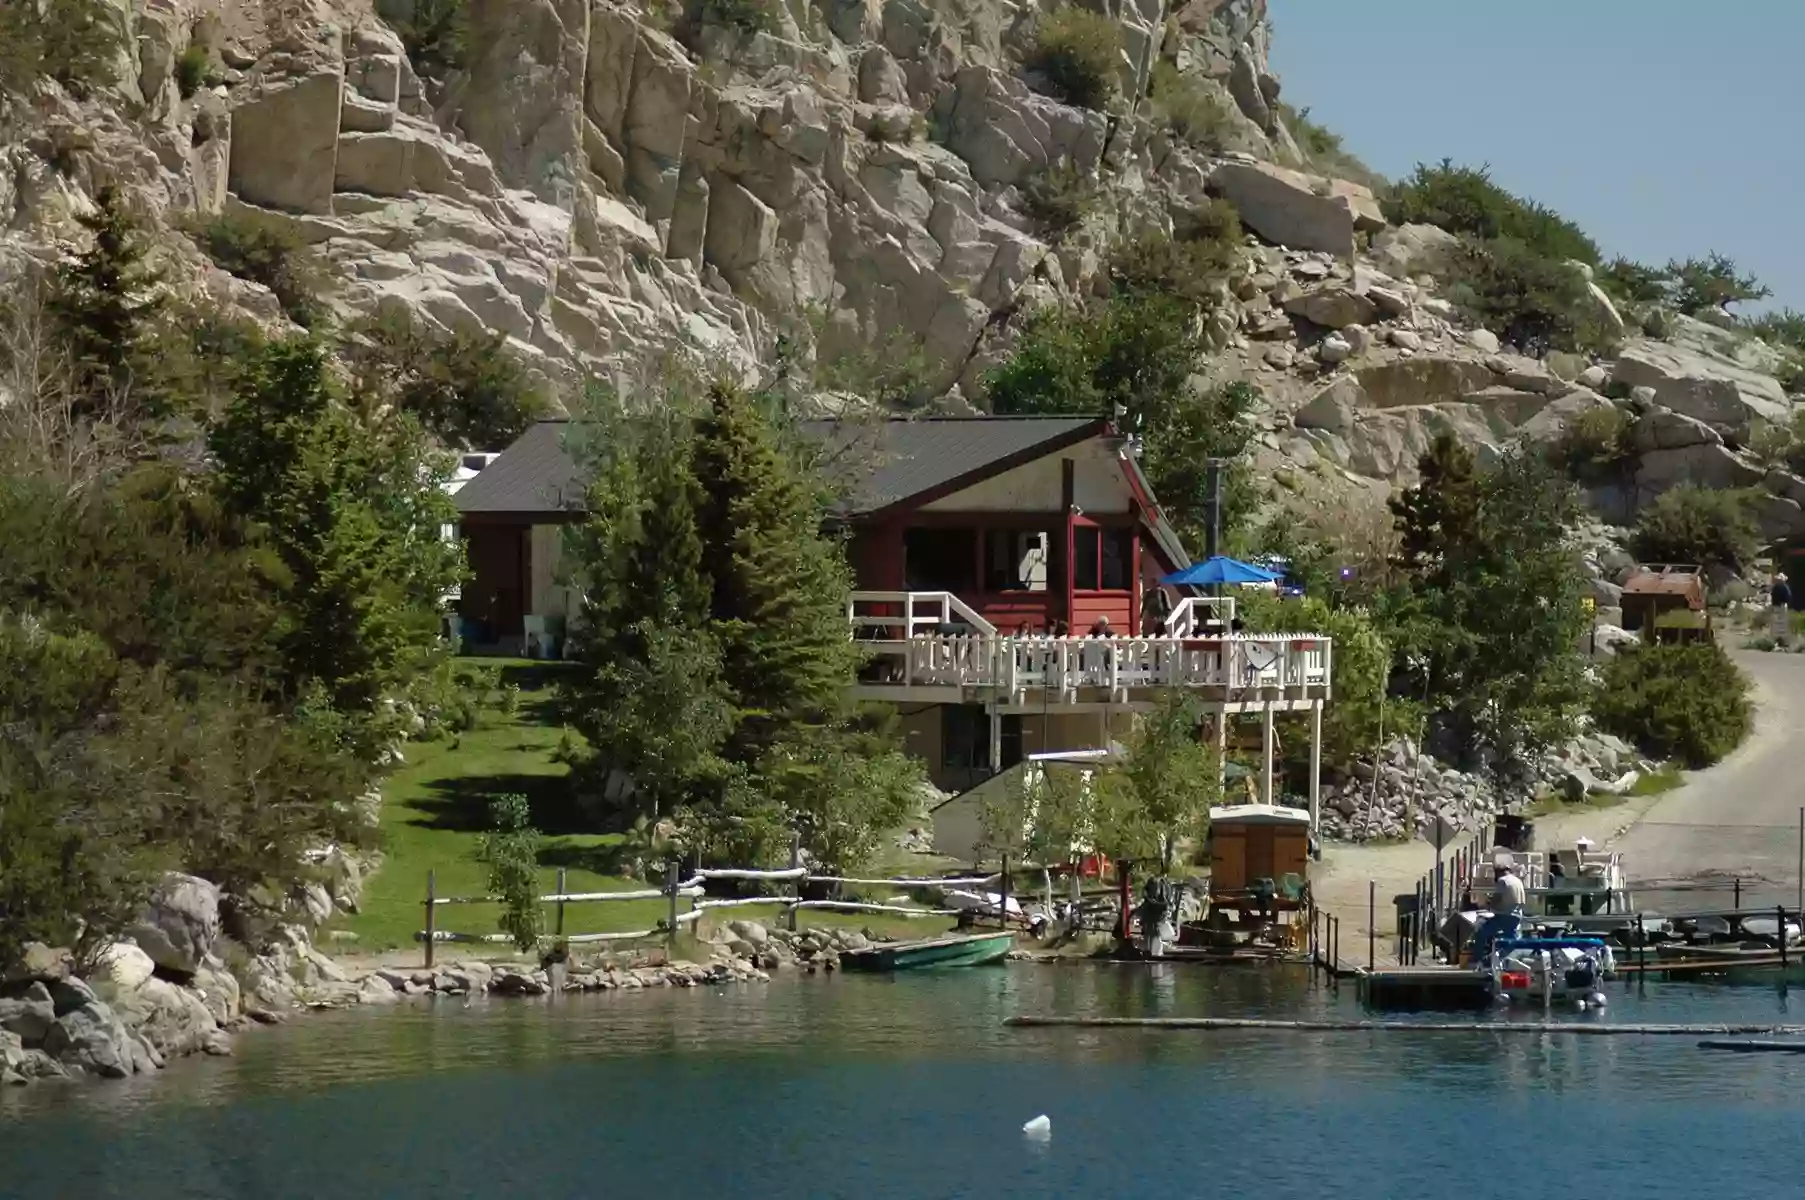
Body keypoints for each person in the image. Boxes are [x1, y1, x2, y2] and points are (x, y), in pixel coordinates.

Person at [1471, 859, 1526, 963]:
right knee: (1510, 938)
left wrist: (1487, 903)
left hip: (1504, 916)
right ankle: (1499, 957)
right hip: (1517, 916)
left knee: (1480, 932)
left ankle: (1478, 959)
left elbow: (1497, 899)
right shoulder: (1517, 881)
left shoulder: (1503, 881)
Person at [1772, 572, 1792, 640]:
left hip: (1782, 605)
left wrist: (1783, 602)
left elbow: (1788, 597)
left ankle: (1781, 637)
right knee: (1776, 621)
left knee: (1782, 622)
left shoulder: (1784, 587)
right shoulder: (1776, 587)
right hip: (1776, 606)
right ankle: (1777, 636)